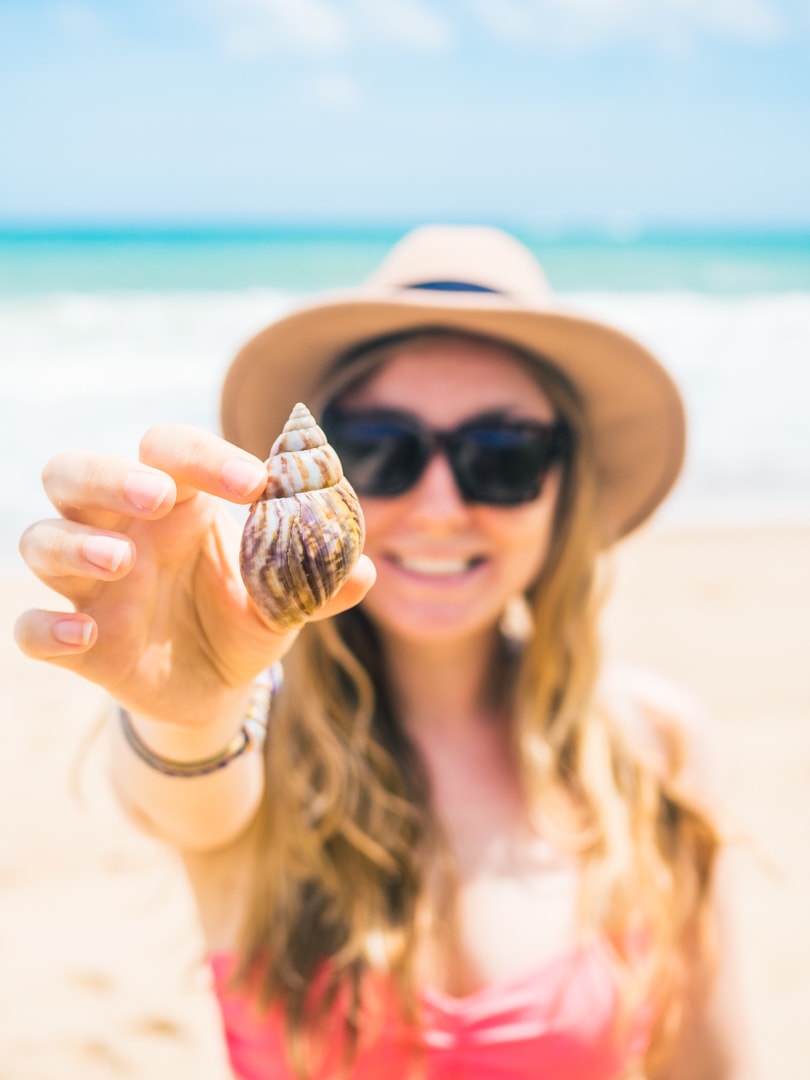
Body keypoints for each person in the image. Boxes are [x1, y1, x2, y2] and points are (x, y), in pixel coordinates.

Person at [15, 225, 757, 1079]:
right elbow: (188, 784)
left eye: (501, 456)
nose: (440, 506)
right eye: (381, 448)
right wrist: (188, 713)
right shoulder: (264, 731)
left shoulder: (657, 749)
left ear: (566, 488)